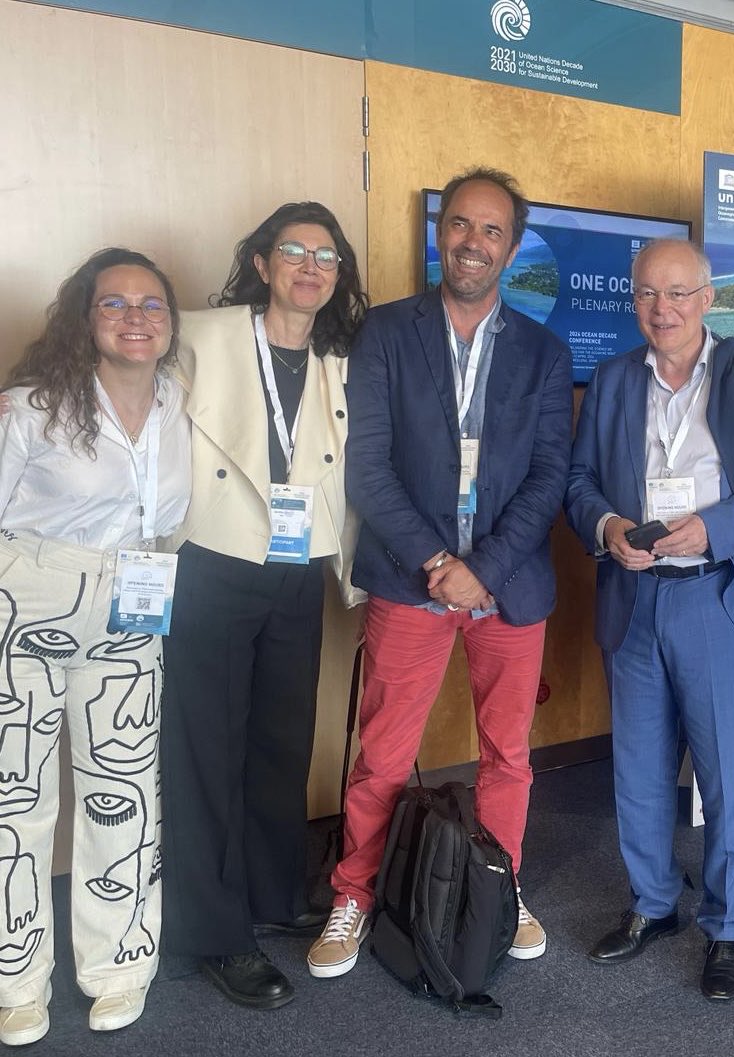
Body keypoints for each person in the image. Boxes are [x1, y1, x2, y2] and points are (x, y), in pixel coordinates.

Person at [306, 167, 572, 978]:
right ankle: (352, 892)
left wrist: (480, 568)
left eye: (491, 230)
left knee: (508, 754)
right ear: (438, 233)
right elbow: (368, 467)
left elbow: (548, 476)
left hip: (509, 586)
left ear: (512, 246)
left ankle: (502, 880)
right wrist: (436, 562)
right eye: (459, 224)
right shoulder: (386, 332)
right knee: (383, 753)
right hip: (408, 579)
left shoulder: (543, 351)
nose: (472, 242)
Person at [564, 238, 734, 1000]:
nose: (661, 308)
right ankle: (650, 905)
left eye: (677, 293)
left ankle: (726, 926)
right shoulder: (610, 381)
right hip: (633, 598)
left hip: (715, 596)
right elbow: (577, 481)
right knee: (636, 771)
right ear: (632, 300)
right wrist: (605, 527)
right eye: (646, 293)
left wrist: (716, 528)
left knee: (721, 778)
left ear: (707, 299)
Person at [160, 203, 368, 1009]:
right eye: (293, 250)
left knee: (283, 741)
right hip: (208, 560)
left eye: (326, 255)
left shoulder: (337, 358)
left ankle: (272, 893)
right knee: (206, 750)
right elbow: (112, 370)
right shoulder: (199, 334)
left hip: (295, 566)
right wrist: (32, 398)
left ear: (338, 274)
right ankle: (214, 934)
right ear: (261, 263)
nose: (310, 266)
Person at [0, 248, 191, 1045]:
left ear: (171, 322)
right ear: (85, 317)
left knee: (124, 793)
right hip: (32, 598)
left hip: (133, 604)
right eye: (114, 304)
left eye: (151, 304)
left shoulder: (181, 401)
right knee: (17, 802)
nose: (135, 317)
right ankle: (16, 977)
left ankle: (119, 965)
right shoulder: (31, 407)